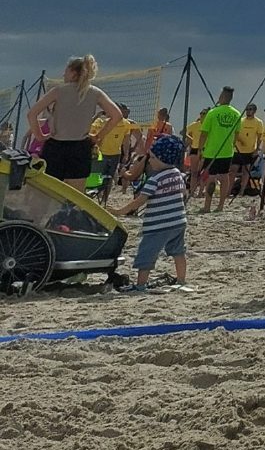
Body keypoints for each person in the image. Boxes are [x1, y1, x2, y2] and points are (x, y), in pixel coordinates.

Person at [37, 57, 125, 192]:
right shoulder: (95, 92)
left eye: (65, 71)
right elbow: (117, 115)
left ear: (73, 72)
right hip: (80, 147)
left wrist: (40, 136)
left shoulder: (58, 91)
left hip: (56, 145)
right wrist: (98, 137)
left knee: (49, 194)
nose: (63, 74)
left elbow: (31, 114)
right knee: (75, 198)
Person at [128, 132, 190, 289]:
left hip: (158, 225)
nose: (150, 161)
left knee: (147, 253)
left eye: (153, 158)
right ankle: (181, 280)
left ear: (164, 159)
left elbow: (139, 201)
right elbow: (184, 194)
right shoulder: (178, 174)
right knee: (178, 252)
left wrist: (118, 211)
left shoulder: (154, 179)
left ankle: (141, 285)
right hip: (178, 221)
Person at [196, 87, 243, 209]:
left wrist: (200, 149)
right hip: (227, 151)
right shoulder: (237, 114)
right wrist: (231, 144)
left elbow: (204, 133)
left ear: (221, 97)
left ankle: (207, 206)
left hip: (212, 150)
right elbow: (237, 134)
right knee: (224, 176)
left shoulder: (212, 113)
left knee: (211, 177)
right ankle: (221, 205)